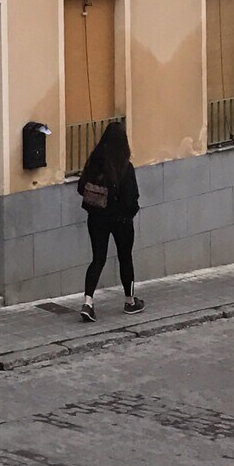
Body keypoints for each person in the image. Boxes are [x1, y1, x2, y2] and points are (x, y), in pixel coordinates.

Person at [77, 119, 142, 321]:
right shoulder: (125, 166)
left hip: (96, 218)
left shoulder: (94, 163)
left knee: (98, 259)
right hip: (121, 220)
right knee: (125, 258)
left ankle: (88, 302)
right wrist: (129, 213)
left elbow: (81, 187)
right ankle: (130, 301)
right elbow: (132, 196)